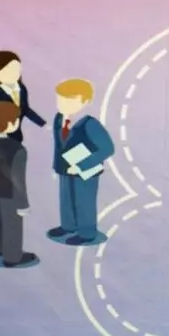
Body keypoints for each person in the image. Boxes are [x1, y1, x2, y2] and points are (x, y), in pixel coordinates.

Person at [47, 78, 114, 246]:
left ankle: (87, 232)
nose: (63, 104)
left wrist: (81, 165)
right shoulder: (58, 118)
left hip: (86, 171)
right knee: (66, 199)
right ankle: (68, 226)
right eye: (60, 99)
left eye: (69, 100)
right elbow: (59, 145)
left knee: (84, 201)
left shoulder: (90, 124)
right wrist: (57, 166)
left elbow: (107, 148)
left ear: (84, 102)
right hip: (65, 168)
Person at [0, 101, 38, 268]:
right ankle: (13, 257)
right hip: (9, 195)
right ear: (11, 124)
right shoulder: (17, 149)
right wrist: (23, 204)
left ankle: (0, 250)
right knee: (12, 225)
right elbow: (17, 179)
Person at [0, 51, 47, 143]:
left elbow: (25, 109)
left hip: (15, 137)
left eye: (17, 69)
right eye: (9, 70)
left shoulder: (21, 88)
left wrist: (42, 123)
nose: (15, 73)